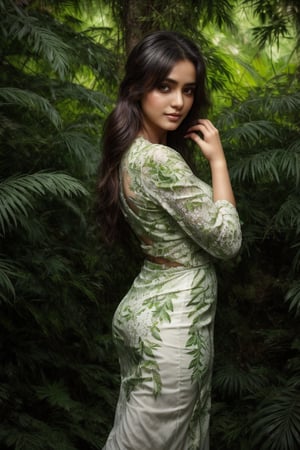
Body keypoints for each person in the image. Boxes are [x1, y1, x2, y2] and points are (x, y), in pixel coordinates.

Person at [97, 30, 242, 450]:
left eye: (188, 90)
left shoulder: (129, 153)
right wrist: (218, 161)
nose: (179, 102)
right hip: (171, 330)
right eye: (165, 87)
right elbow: (228, 240)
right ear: (138, 88)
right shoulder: (159, 159)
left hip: (145, 312)